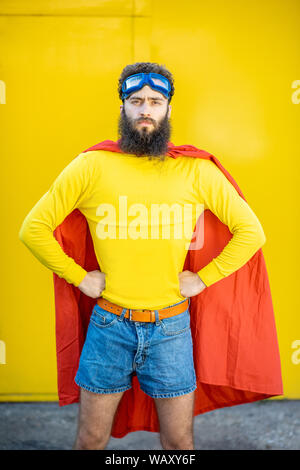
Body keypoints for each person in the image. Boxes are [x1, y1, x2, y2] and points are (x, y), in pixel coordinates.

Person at [19, 62, 282, 450]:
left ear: (168, 109)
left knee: (178, 443)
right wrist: (79, 276)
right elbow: (33, 228)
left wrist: (204, 278)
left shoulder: (196, 171)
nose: (146, 109)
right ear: (123, 107)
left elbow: (252, 232)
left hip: (170, 329)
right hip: (109, 325)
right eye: (136, 100)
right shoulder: (92, 166)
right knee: (91, 440)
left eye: (156, 102)